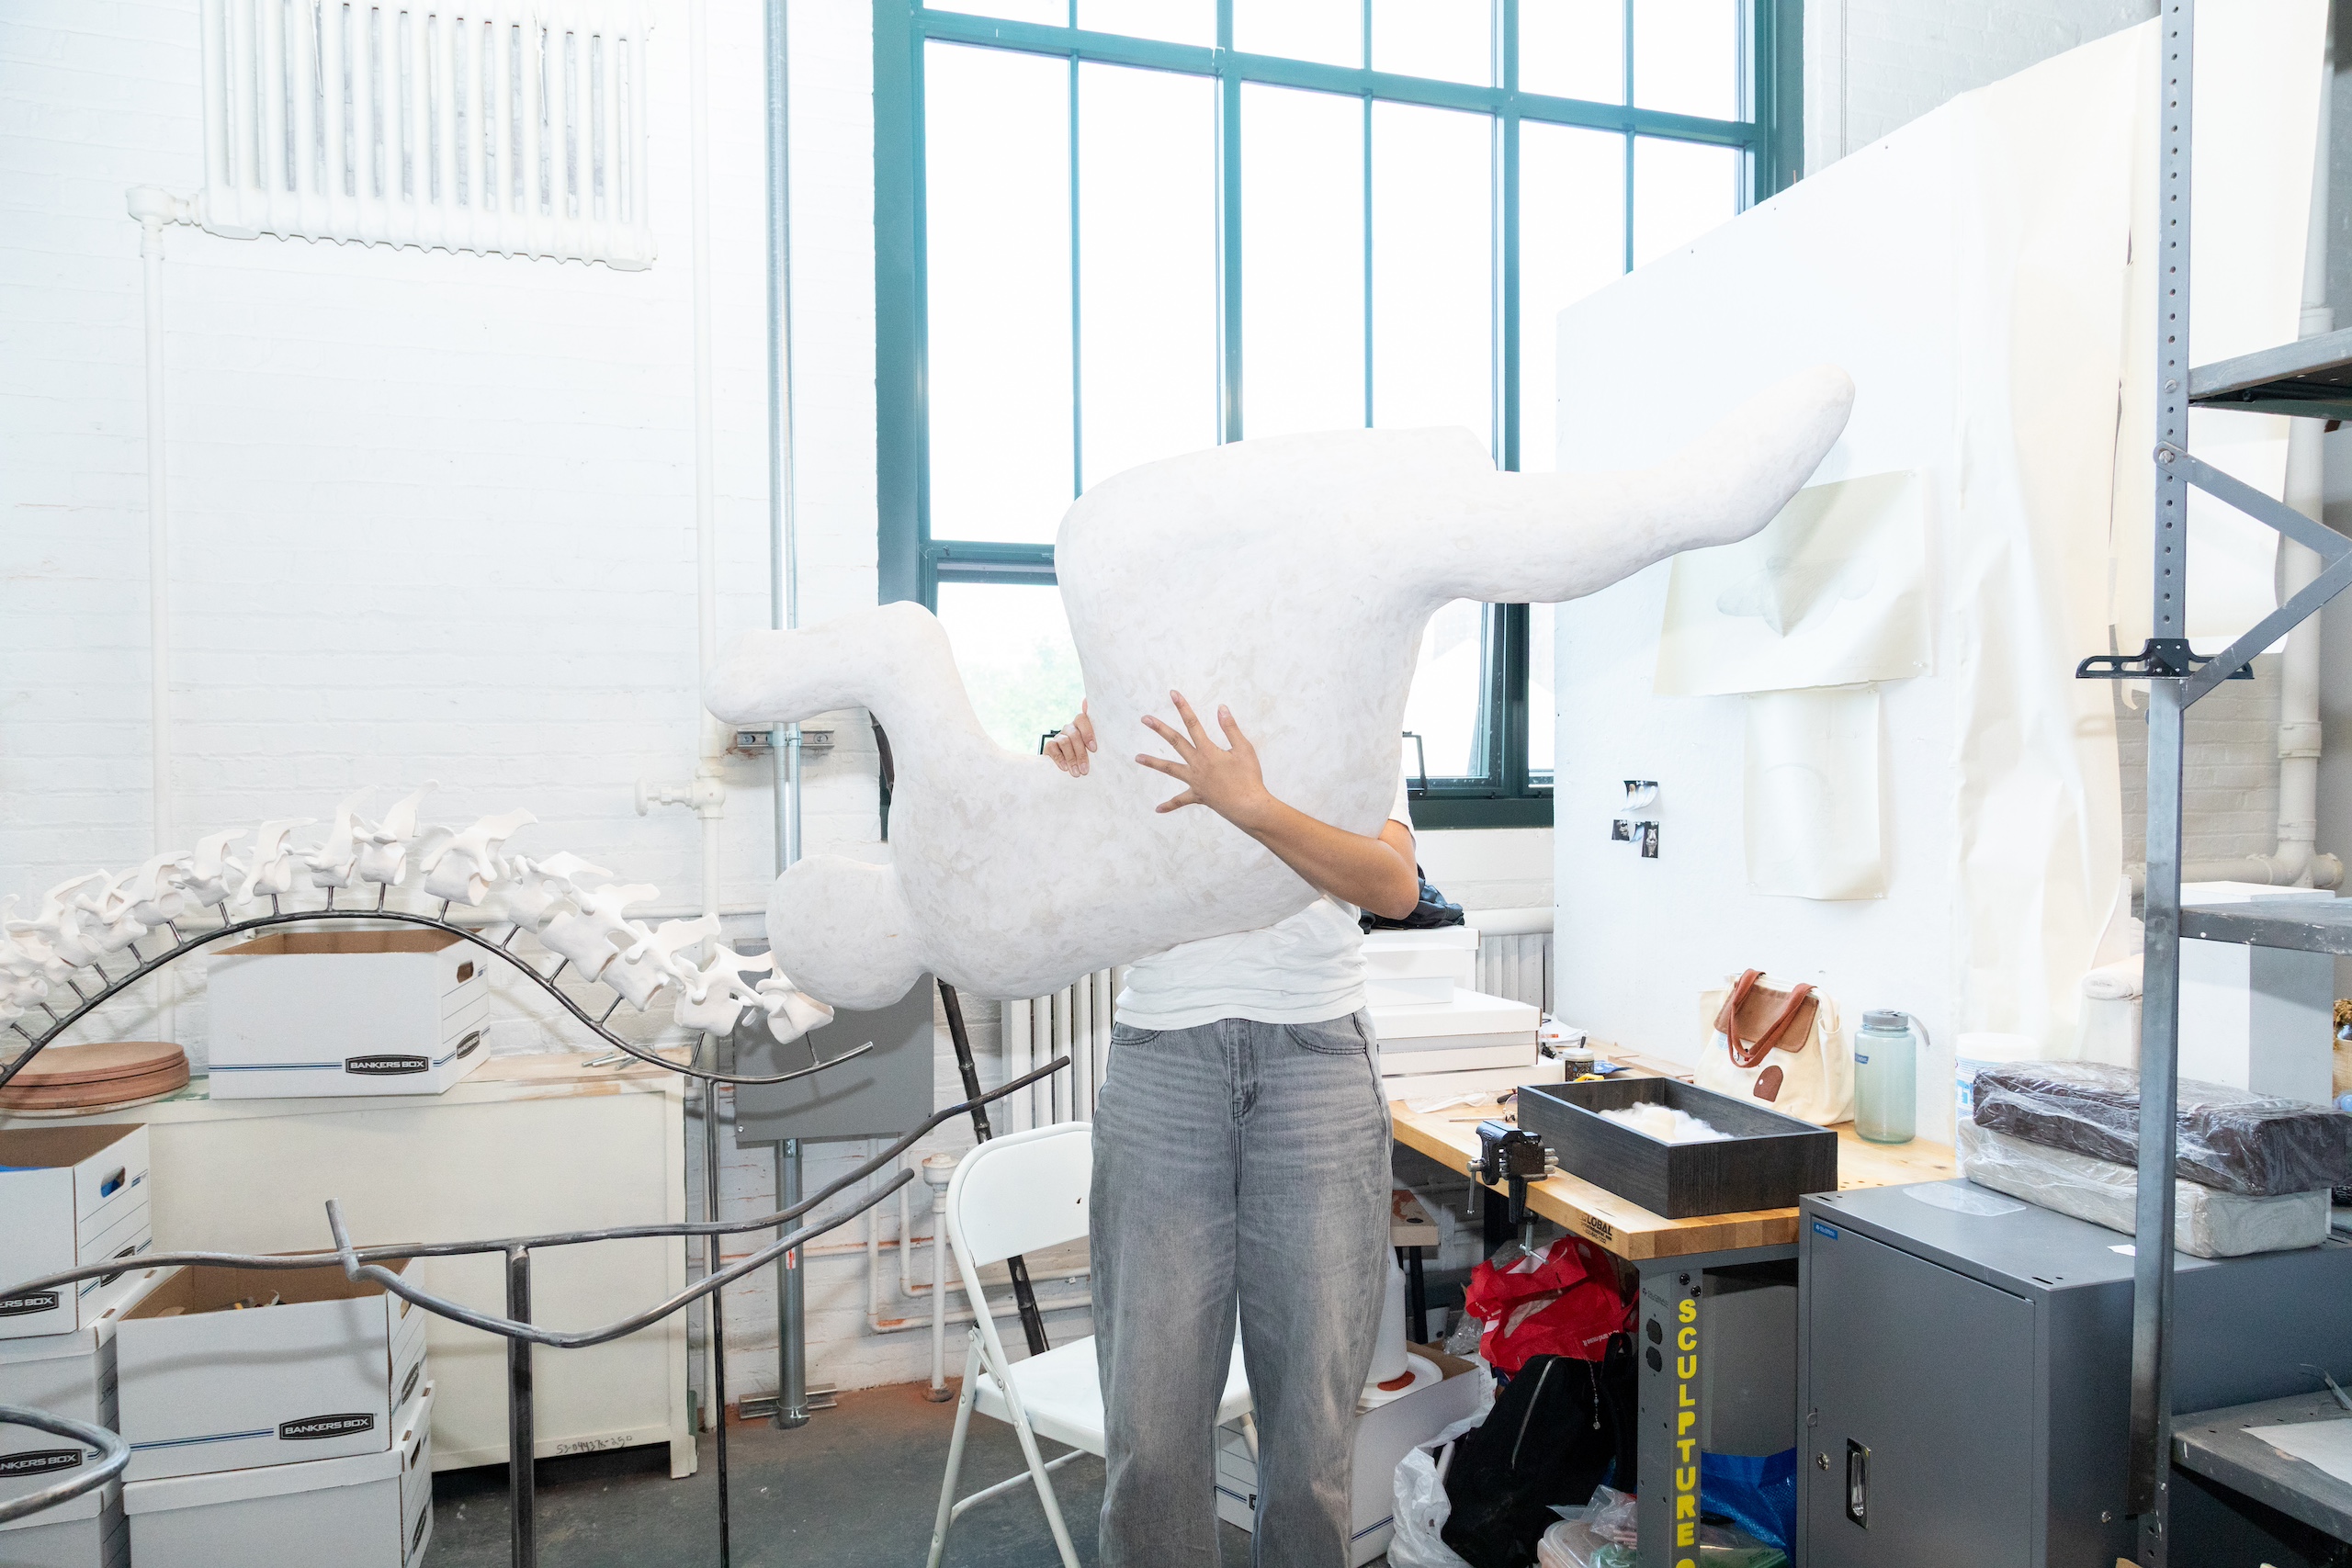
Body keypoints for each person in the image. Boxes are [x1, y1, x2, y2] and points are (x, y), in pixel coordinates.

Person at [1044, 691, 1418, 1568]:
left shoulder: (1334, 693)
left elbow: (1395, 886)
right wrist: (1068, 781)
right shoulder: (1135, 695)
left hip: (1314, 1061)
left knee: (1311, 1432)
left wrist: (1248, 801)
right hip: (1165, 1058)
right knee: (1151, 1429)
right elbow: (1067, 888)